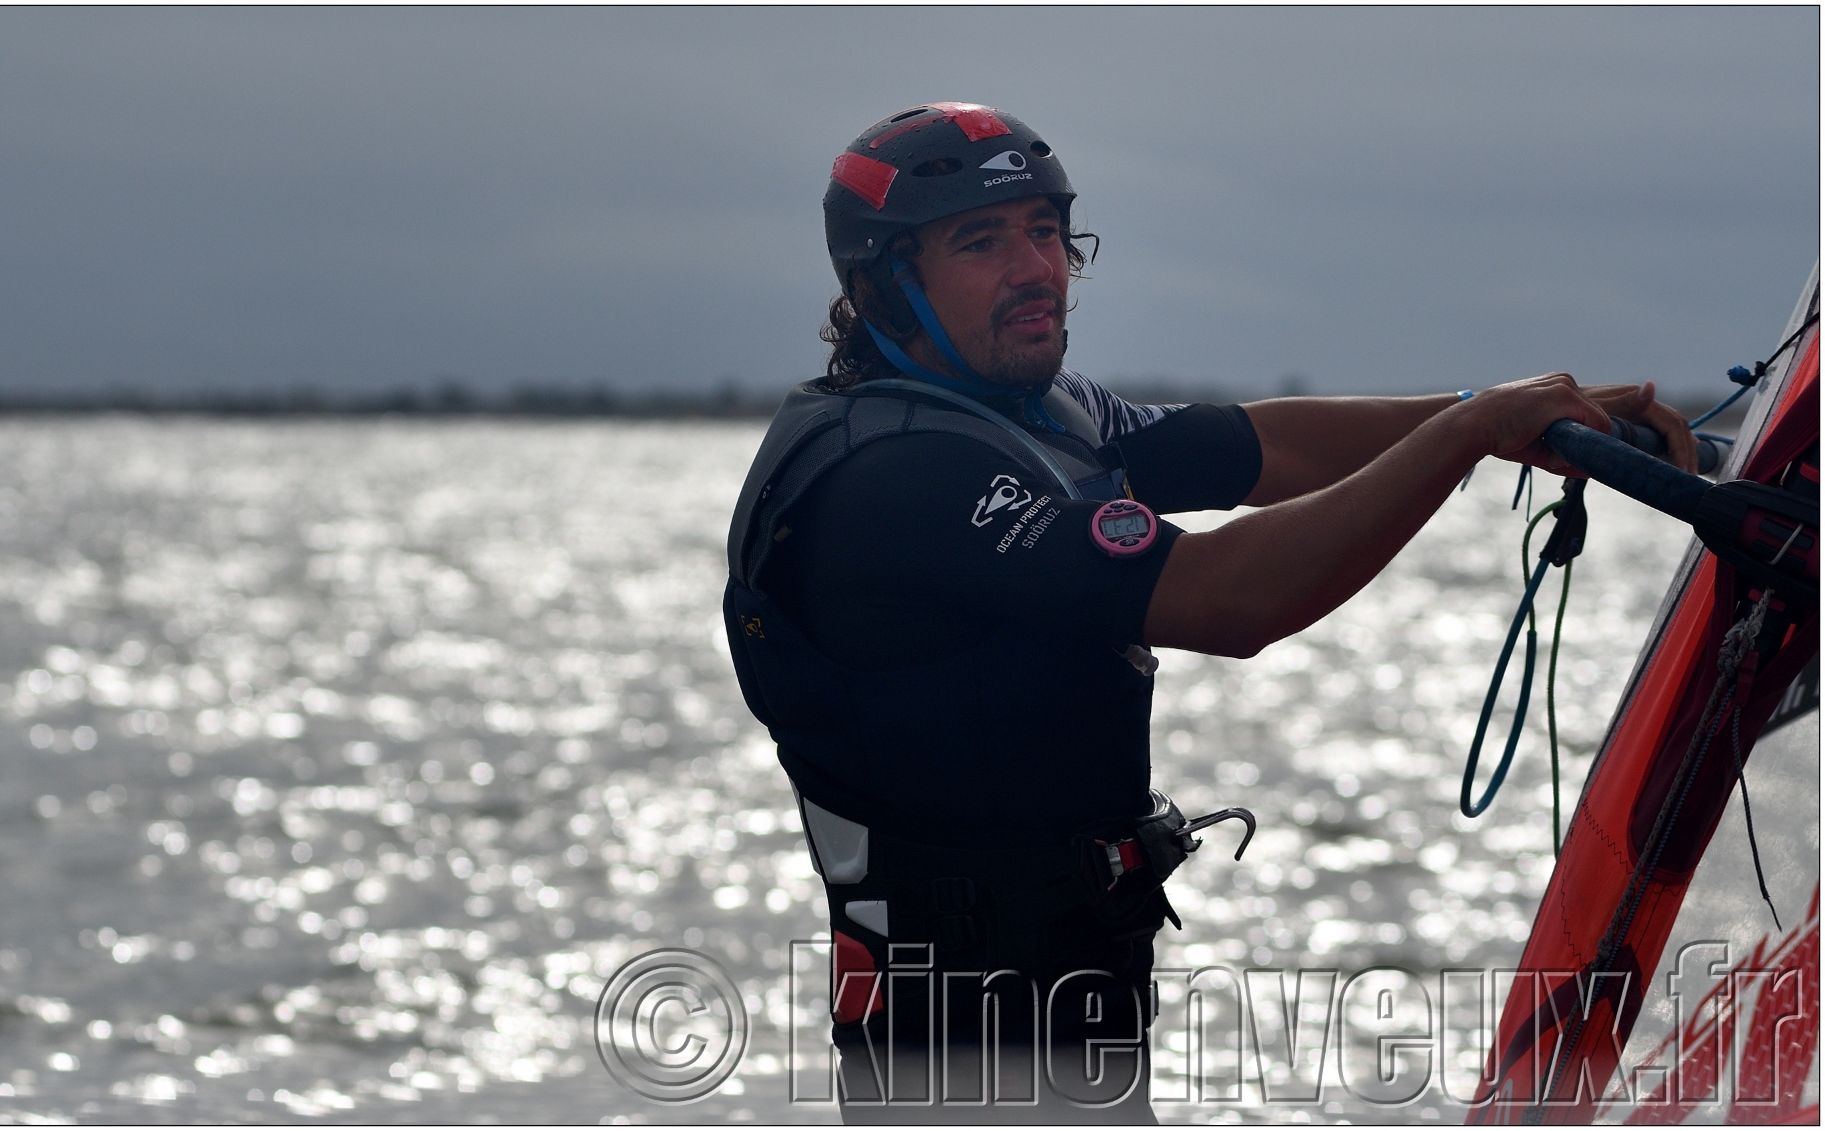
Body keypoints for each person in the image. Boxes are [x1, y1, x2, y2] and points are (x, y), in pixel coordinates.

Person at [722, 102, 1695, 1122]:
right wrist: (1472, 432)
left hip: (1072, 1010)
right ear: (884, 282)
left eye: (1046, 233)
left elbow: (1260, 449)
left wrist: (1509, 418)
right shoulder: (891, 477)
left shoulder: (1038, 414)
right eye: (980, 241)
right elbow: (1233, 600)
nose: (1034, 269)